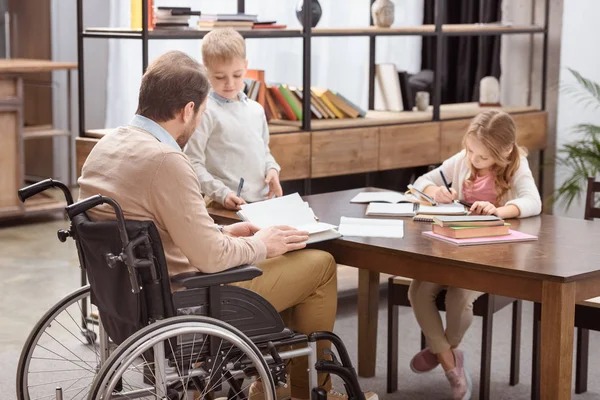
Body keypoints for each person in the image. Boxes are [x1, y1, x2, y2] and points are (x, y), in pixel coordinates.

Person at [77, 50, 376, 400]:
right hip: (189, 301)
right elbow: (212, 259)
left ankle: (269, 384)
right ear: (188, 110)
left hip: (130, 295)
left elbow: (158, 232)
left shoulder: (106, 146)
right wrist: (263, 244)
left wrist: (226, 231)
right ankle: (303, 391)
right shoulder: (166, 161)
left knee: (286, 260)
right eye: (202, 112)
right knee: (319, 265)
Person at [407, 110, 542, 399]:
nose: (473, 160)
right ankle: (450, 360)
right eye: (470, 151)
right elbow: (420, 183)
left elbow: (533, 201)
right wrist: (436, 190)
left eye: (482, 157)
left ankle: (441, 353)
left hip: (491, 257)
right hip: (451, 250)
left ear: (504, 152)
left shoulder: (517, 166)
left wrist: (498, 210)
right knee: (418, 291)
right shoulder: (463, 160)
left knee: (458, 298)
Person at [185, 28, 282, 210]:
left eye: (237, 75)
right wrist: (222, 194)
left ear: (246, 66)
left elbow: (264, 152)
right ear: (205, 71)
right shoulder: (205, 112)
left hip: (261, 204)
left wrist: (272, 169)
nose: (230, 83)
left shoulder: (256, 110)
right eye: (220, 77)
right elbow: (192, 162)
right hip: (223, 205)